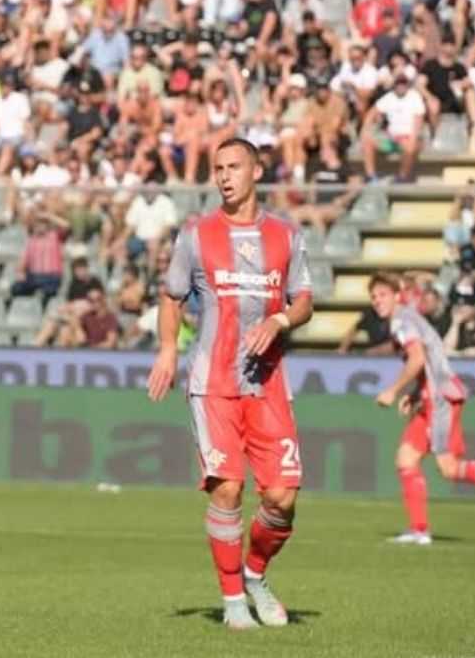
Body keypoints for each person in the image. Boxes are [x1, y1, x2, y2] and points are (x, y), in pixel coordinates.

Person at [147, 138, 312, 632]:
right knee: (227, 489)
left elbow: (304, 300)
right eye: (217, 168)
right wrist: (169, 348)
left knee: (282, 498)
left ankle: (255, 573)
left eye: (234, 167)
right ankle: (233, 599)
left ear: (256, 171)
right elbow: (172, 296)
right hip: (213, 383)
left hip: (268, 384)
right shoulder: (196, 235)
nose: (224, 176)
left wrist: (279, 322)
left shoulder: (286, 235)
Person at [369, 274, 475, 543]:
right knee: (406, 459)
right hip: (429, 396)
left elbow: (417, 358)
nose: (377, 301)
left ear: (396, 295)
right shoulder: (405, 318)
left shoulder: (402, 320)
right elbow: (428, 360)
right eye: (374, 296)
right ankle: (419, 530)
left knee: (448, 467)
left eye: (382, 294)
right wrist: (415, 393)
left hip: (440, 399)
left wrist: (394, 390)